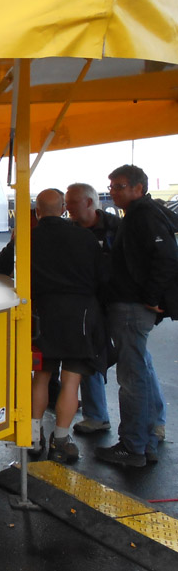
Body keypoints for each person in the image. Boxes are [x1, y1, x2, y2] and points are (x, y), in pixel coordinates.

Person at [96, 165, 178, 467]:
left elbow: (168, 258)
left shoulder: (144, 215)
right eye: (112, 186)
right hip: (133, 306)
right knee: (141, 369)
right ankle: (148, 436)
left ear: (138, 189)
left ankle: (133, 447)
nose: (113, 191)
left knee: (132, 378)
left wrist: (152, 298)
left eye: (119, 186)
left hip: (132, 308)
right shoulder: (140, 214)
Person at [28, 189, 105, 463]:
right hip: (80, 316)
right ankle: (60, 440)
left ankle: (33, 438)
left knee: (42, 376)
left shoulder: (29, 237)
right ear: (63, 208)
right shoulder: (85, 237)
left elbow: (2, 265)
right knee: (71, 381)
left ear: (37, 211)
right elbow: (101, 276)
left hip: (43, 315)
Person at [65, 183, 122, 435]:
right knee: (88, 355)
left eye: (72, 203)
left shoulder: (116, 227)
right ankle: (96, 415)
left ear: (89, 202)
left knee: (134, 359)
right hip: (85, 305)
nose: (67, 208)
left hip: (117, 301)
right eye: (65, 203)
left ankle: (154, 423)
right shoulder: (69, 231)